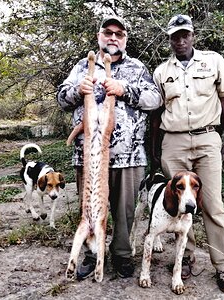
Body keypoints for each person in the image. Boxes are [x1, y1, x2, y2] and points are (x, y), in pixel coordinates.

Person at [57, 15, 161, 280]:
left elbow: (155, 99)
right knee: (90, 209)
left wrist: (124, 88)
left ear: (125, 39)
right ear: (99, 36)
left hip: (129, 156)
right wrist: (76, 91)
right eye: (108, 32)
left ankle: (122, 256)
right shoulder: (81, 67)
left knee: (124, 212)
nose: (113, 37)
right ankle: (92, 254)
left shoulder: (137, 68)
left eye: (119, 33)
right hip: (88, 155)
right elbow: (62, 98)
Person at [151, 14, 224, 293]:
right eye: (175, 36)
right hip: (173, 143)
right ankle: (185, 258)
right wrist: (154, 149)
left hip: (208, 139)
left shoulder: (213, 61)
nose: (180, 40)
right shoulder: (162, 71)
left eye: (184, 34)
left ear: (192, 36)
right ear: (170, 40)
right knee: (177, 206)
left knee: (212, 205)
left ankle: (223, 266)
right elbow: (156, 113)